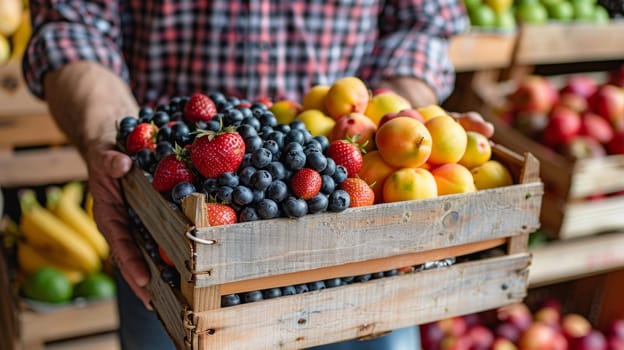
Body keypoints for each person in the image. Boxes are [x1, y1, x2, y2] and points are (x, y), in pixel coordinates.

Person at [22, 1, 468, 349]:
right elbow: (71, 23)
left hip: (358, 242)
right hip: (171, 237)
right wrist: (109, 136)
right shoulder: (201, 163)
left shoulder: (323, 170)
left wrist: (397, 130)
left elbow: (423, 21)